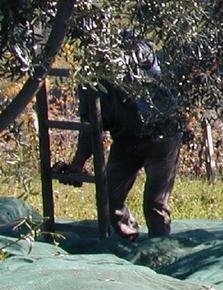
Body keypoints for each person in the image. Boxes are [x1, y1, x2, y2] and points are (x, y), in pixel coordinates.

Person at [54, 37, 184, 240]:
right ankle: (128, 240)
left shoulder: (137, 52)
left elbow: (157, 76)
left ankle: (160, 249)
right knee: (109, 197)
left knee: (155, 203)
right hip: (126, 140)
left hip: (162, 138)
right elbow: (90, 125)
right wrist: (78, 163)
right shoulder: (88, 80)